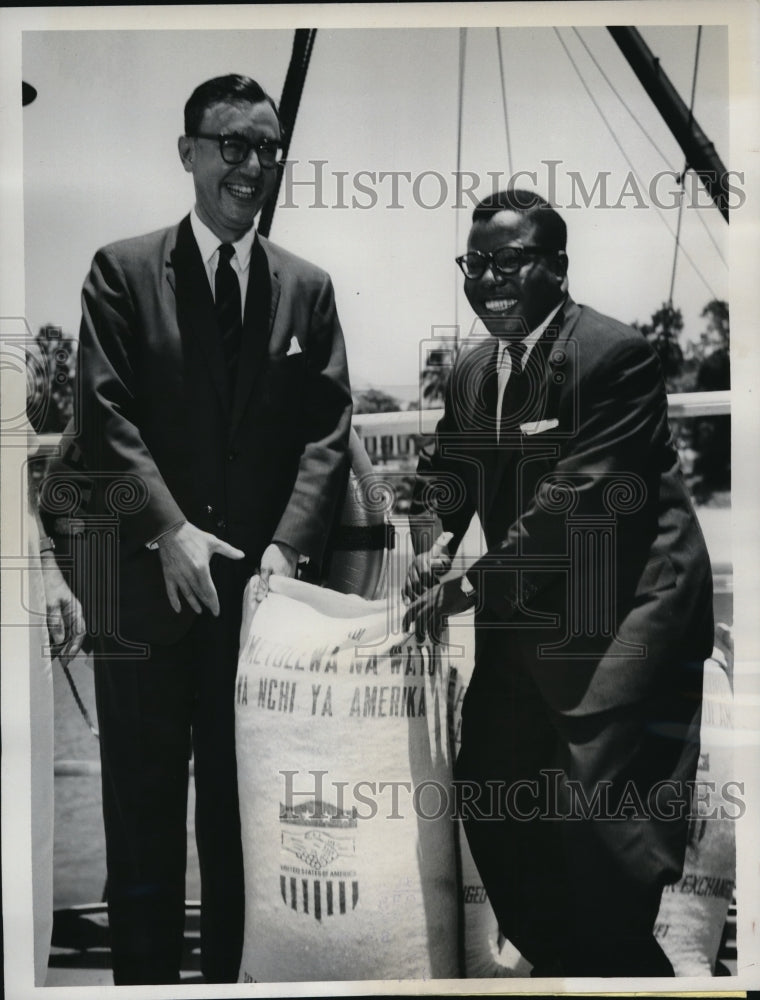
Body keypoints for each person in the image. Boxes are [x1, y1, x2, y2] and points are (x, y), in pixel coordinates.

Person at [60, 74, 352, 984]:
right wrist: (168, 531)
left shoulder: (307, 289)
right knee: (142, 823)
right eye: (231, 145)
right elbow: (105, 418)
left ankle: (231, 983)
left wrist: (288, 549)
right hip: (144, 603)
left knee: (246, 829)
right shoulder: (122, 272)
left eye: (266, 148)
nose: (251, 165)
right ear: (186, 153)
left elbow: (327, 429)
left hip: (259, 612)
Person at [404, 190, 713, 977]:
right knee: (490, 791)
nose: (489, 279)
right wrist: (434, 540)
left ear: (557, 269)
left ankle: (622, 971)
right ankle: (574, 961)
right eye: (476, 264)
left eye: (510, 262)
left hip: (621, 616)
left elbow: (577, 500)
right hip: (528, 611)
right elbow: (446, 472)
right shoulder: (475, 370)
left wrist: (473, 584)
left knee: (602, 831)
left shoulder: (614, 355)